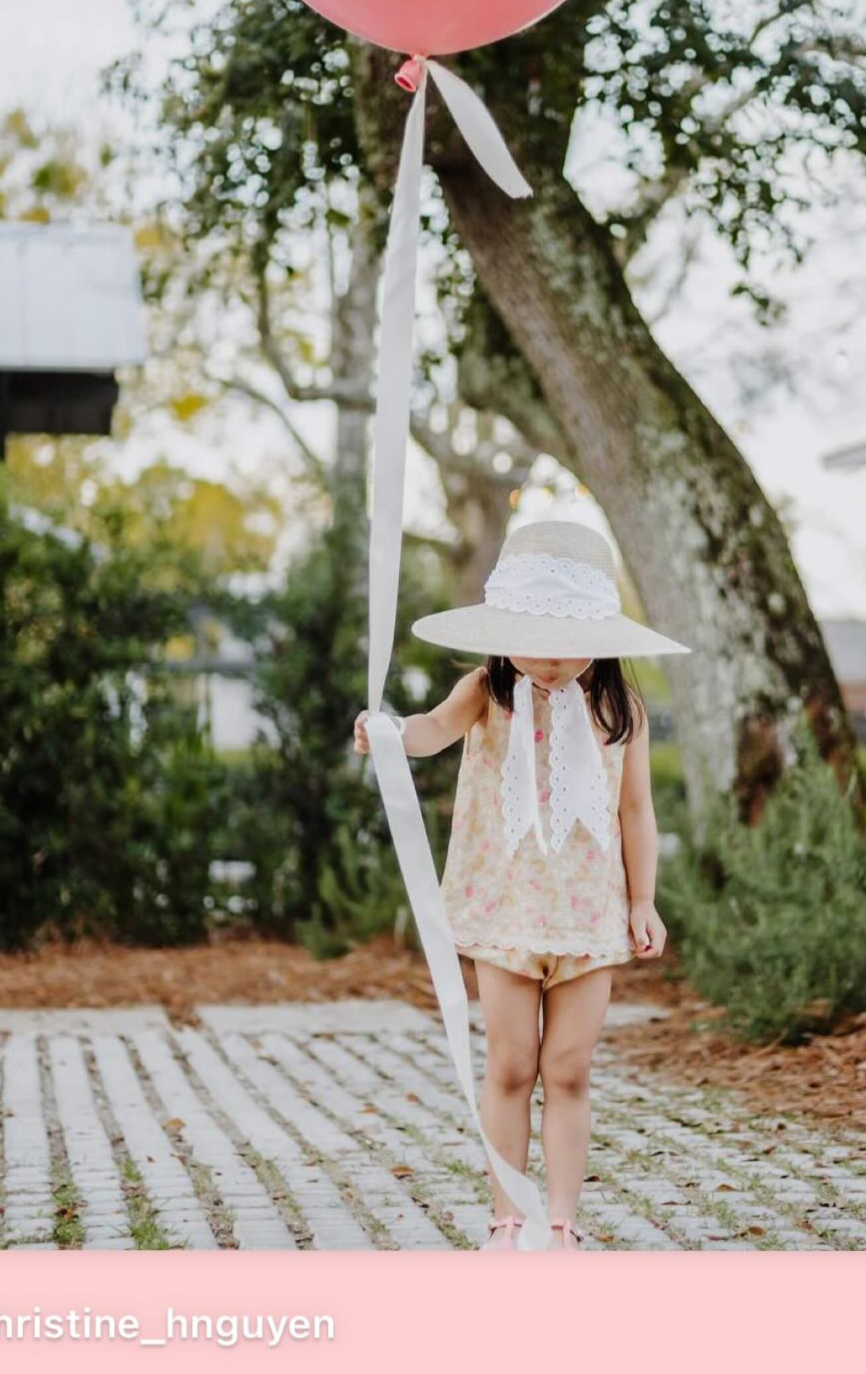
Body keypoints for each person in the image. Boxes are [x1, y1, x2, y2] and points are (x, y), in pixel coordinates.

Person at [355, 518, 689, 1250]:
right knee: (511, 1064)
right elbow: (433, 731)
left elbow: (637, 809)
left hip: (588, 916)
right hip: (505, 909)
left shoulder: (618, 708)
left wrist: (641, 899)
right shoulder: (488, 688)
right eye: (528, 636)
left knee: (567, 1068)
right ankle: (509, 1217)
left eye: (563, 639)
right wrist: (389, 733)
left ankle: (561, 1221)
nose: (544, 657)